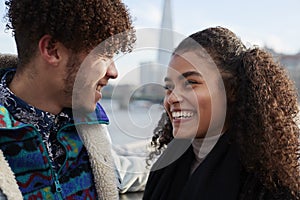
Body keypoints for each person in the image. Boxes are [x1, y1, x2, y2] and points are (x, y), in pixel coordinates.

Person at [0, 0, 139, 199]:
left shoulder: (91, 128)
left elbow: (123, 173)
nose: (114, 72)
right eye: (104, 54)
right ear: (52, 50)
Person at [143, 26, 300, 200]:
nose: (172, 98)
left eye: (191, 83)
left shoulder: (271, 186)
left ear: (231, 90)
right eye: (169, 88)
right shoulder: (163, 170)